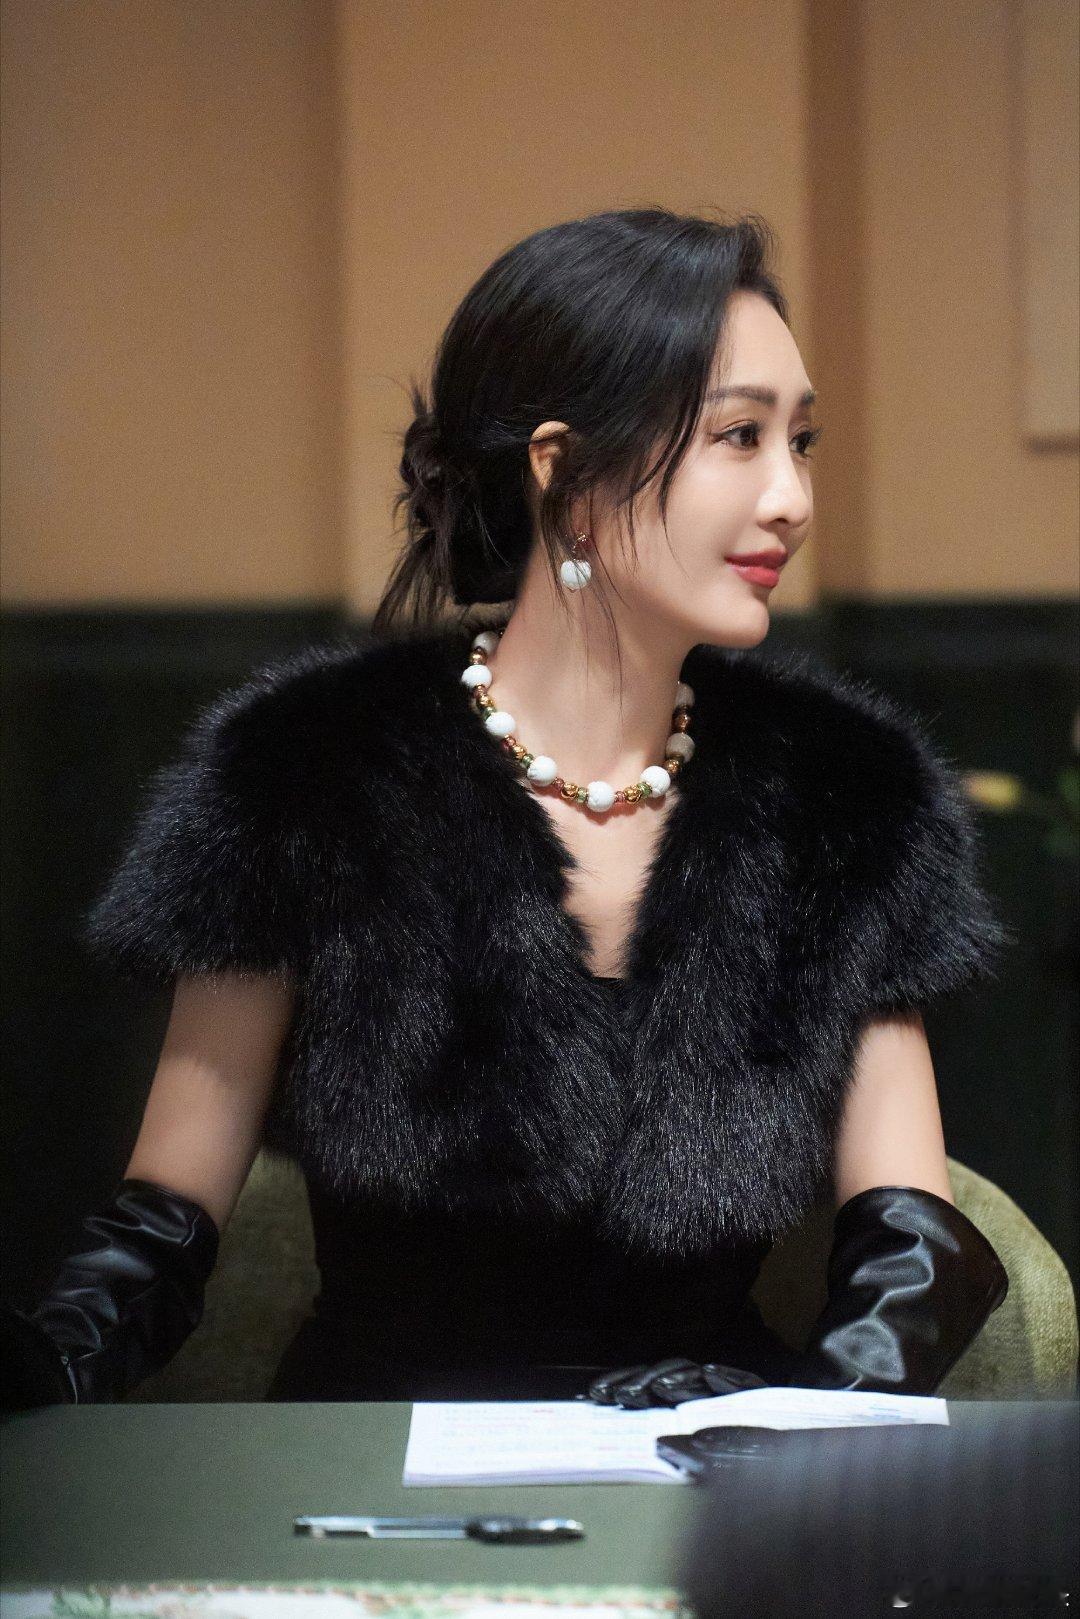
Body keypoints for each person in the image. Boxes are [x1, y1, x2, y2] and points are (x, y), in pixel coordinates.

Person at [1, 207, 1011, 1410]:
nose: (791, 496)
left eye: (801, 442)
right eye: (740, 437)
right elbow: (159, 1235)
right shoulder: (307, 771)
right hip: (373, 1454)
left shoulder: (845, 792)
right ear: (563, 469)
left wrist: (775, 1430)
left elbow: (910, 1255)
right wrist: (42, 1366)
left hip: (699, 1454)